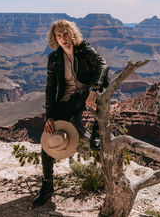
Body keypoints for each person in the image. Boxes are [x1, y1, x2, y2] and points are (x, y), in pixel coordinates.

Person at [33, 19, 109, 207]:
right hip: (68, 99)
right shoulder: (55, 59)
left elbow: (103, 65)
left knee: (97, 116)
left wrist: (94, 89)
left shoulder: (84, 49)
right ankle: (47, 185)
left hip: (88, 93)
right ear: (54, 38)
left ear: (72, 34)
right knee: (49, 135)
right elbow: (50, 89)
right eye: (58, 35)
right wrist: (49, 116)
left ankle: (97, 132)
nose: (63, 38)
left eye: (65, 33)